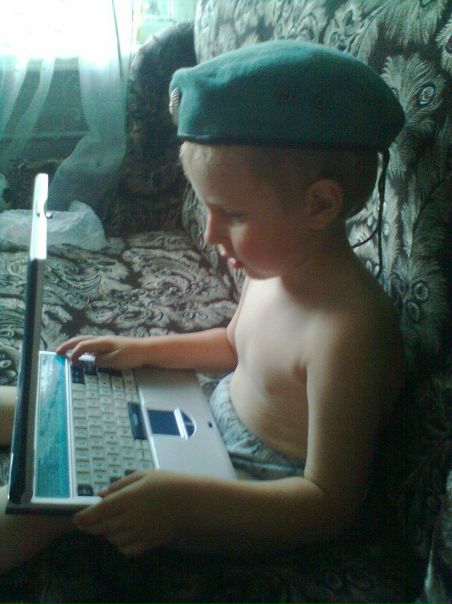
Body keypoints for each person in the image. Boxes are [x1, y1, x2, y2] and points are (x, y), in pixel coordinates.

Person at [0, 40, 405, 574]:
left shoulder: (348, 334)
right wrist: (140, 350)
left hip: (248, 494)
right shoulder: (273, 268)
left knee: (53, 497)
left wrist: (183, 502)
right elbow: (233, 345)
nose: (211, 235)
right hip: (205, 425)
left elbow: (329, 504)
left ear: (320, 204)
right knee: (49, 400)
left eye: (231, 214)